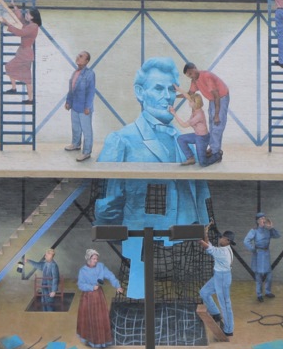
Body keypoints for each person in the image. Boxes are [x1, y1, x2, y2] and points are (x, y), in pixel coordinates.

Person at [94, 57, 211, 299]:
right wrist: (118, 235)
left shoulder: (187, 142)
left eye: (170, 90)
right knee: (138, 300)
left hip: (184, 246)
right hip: (141, 245)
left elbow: (201, 192)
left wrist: (204, 230)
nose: (167, 96)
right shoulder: (121, 140)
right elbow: (107, 204)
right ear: (140, 92)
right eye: (158, 88)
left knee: (183, 300)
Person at [179, 62, 230, 160]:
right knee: (212, 124)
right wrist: (176, 95)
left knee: (217, 123)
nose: (190, 77)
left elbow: (217, 96)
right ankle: (214, 148)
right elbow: (190, 94)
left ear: (195, 68)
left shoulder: (206, 76)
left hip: (221, 97)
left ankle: (215, 151)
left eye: (191, 73)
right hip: (213, 99)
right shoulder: (194, 81)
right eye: (188, 76)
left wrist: (216, 114)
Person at [75, 249, 123, 348]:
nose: (96, 261)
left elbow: (110, 275)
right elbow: (80, 284)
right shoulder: (83, 271)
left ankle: (101, 341)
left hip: (98, 296)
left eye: (97, 259)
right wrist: (91, 287)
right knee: (89, 319)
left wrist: (117, 286)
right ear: (88, 259)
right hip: (87, 298)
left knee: (100, 317)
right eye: (94, 259)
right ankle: (90, 340)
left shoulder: (101, 266)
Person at [199, 230, 235, 337]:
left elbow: (207, 247)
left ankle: (229, 330)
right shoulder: (223, 249)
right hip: (218, 276)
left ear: (228, 241)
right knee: (204, 292)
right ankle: (215, 313)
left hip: (223, 277)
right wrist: (205, 234)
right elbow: (209, 245)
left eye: (222, 238)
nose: (220, 239)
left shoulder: (223, 252)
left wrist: (199, 238)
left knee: (225, 304)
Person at [3, 6, 42, 102]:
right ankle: (30, 99)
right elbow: (21, 19)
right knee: (27, 78)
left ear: (32, 17)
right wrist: (15, 8)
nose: (26, 15)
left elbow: (21, 32)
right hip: (25, 53)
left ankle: (14, 88)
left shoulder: (33, 26)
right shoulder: (30, 24)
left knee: (9, 66)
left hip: (25, 53)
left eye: (28, 14)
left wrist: (9, 25)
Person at [63, 50, 96, 162]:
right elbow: (71, 89)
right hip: (75, 106)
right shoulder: (75, 73)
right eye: (78, 55)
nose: (78, 57)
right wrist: (68, 101)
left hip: (84, 108)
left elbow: (91, 92)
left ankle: (86, 152)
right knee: (75, 127)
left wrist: (87, 106)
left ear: (87, 61)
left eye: (81, 56)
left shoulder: (90, 74)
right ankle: (76, 144)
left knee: (87, 130)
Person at [168, 92, 213, 166]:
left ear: (195, 103)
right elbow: (188, 96)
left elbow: (184, 125)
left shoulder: (198, 115)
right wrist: (178, 89)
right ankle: (190, 158)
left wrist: (174, 113)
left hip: (203, 138)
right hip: (197, 136)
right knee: (181, 139)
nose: (189, 102)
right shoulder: (195, 109)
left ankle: (217, 155)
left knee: (203, 163)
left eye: (191, 101)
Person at [244, 212, 280, 302]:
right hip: (258, 254)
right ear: (258, 221)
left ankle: (268, 292)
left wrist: (272, 228)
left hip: (266, 254)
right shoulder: (254, 231)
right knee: (259, 276)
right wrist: (253, 249)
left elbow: (277, 236)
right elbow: (246, 241)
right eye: (261, 219)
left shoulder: (268, 230)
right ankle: (259, 294)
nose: (263, 220)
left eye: (264, 218)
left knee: (269, 275)